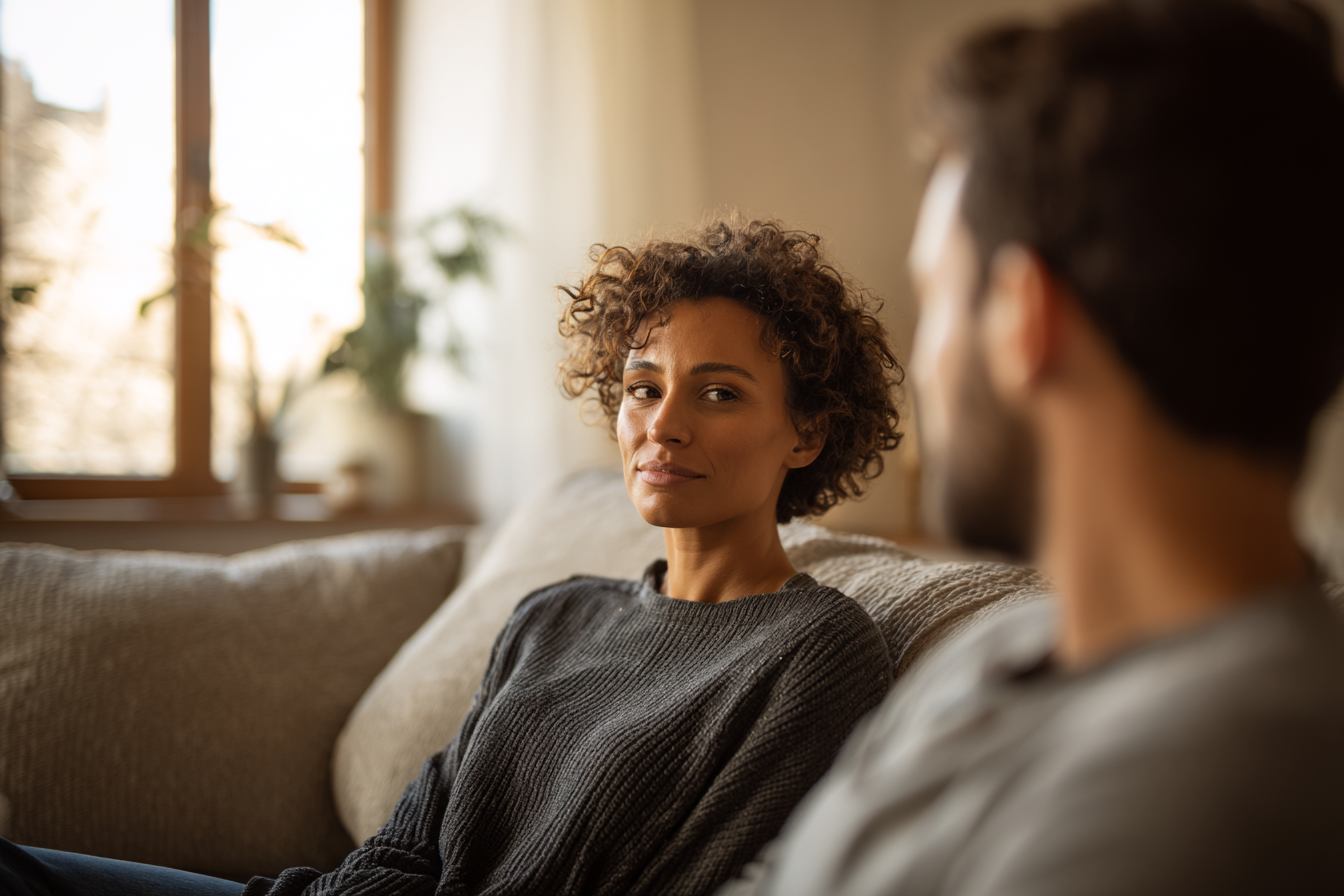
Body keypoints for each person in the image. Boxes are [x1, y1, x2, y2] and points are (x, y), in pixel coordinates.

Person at [0, 216, 901, 896]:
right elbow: (406, 844)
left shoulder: (815, 650)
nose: (662, 425)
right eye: (642, 387)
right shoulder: (556, 615)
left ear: (808, 431)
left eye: (718, 392)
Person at [717, 1, 1344, 894]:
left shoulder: (1227, 771)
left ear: (1024, 316)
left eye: (934, 295)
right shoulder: (997, 652)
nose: (920, 367)